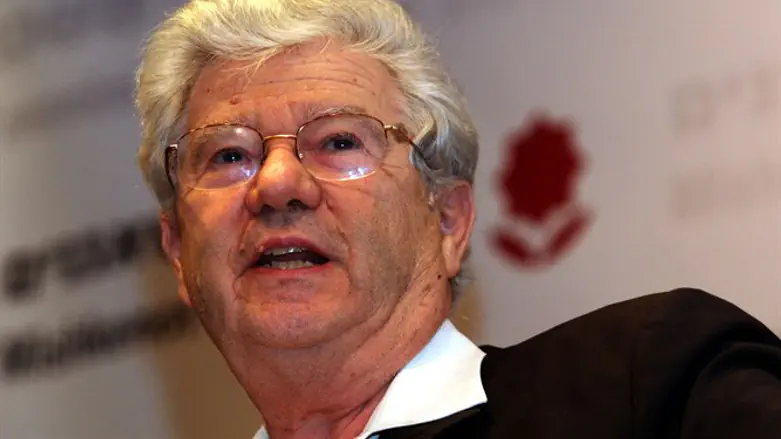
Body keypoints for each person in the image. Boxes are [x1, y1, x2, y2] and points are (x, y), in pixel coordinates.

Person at [133, 1, 781, 438]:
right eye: (228, 155)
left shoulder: (647, 384)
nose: (277, 184)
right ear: (179, 252)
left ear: (447, 219)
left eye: (338, 141)